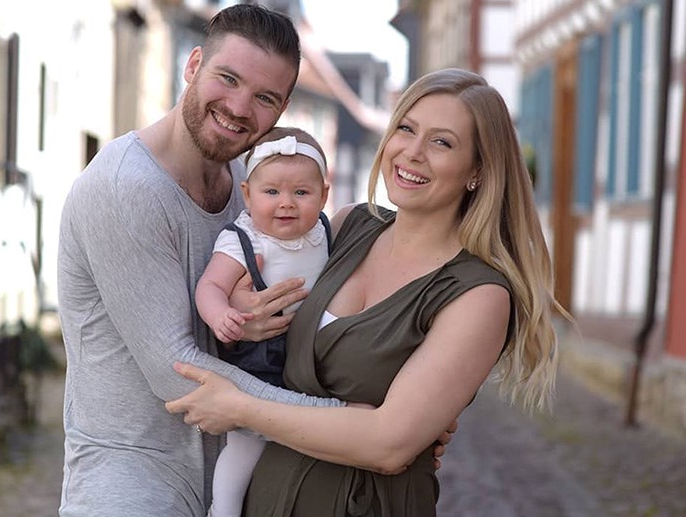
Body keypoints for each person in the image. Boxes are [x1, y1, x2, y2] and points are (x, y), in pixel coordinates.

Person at [56, 4, 453, 517]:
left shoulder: (257, 188)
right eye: (228, 78)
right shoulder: (125, 189)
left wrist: (412, 412)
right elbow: (179, 375)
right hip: (133, 487)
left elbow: (325, 307)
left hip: (237, 485)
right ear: (193, 64)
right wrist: (351, 422)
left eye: (264, 97)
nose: (240, 107)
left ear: (281, 111)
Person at [166, 67, 568, 516]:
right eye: (406, 129)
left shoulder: (478, 295)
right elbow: (270, 283)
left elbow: (389, 444)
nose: (412, 153)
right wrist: (246, 307)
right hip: (268, 494)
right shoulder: (347, 226)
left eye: (441, 142)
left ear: (477, 169)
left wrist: (241, 409)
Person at [196, 126, 331, 517]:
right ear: (248, 194)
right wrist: (222, 314)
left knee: (300, 445)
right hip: (262, 359)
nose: (286, 204)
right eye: (271, 192)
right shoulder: (245, 240)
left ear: (323, 194)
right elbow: (210, 286)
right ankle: (223, 510)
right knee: (245, 445)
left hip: (310, 357)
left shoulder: (325, 231)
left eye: (301, 193)